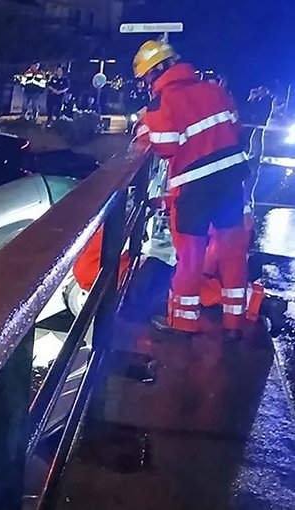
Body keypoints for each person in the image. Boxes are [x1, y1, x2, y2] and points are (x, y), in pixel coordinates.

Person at [132, 40, 251, 339]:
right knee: (232, 251)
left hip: (194, 189)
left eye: (146, 77)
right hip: (230, 181)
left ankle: (183, 324)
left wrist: (145, 123)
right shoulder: (214, 89)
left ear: (156, 71)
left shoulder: (163, 103)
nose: (147, 84)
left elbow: (166, 146)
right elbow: (234, 129)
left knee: (191, 257)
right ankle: (234, 324)